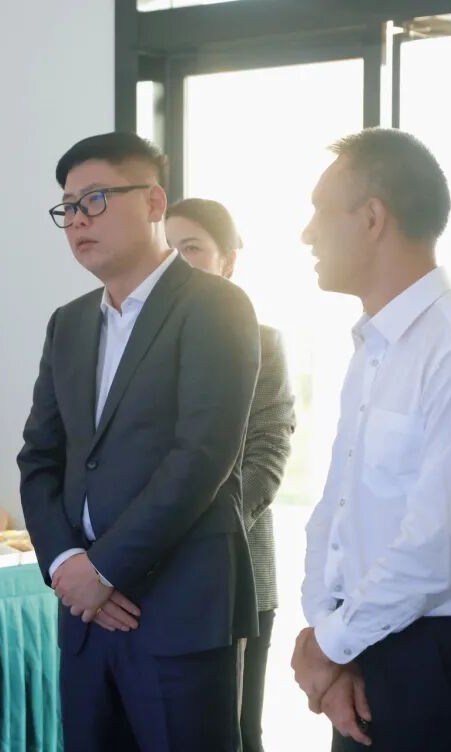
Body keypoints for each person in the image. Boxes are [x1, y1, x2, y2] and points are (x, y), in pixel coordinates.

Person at [291, 128, 451, 751]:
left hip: (446, 668)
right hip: (363, 649)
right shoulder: (374, 345)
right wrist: (329, 634)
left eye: (319, 211)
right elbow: (336, 510)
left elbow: (437, 548)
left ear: (373, 218)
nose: (307, 233)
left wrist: (329, 643)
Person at [18, 132, 260, 751]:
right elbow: (40, 458)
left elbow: (201, 456)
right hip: (85, 616)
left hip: (178, 611)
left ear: (154, 202)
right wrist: (67, 566)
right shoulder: (69, 323)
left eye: (95, 200)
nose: (78, 220)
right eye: (68, 208)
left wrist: (104, 568)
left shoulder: (215, 305)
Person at [166, 197, 296, 752]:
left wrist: (190, 532)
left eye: (192, 248)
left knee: (235, 732)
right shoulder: (128, 345)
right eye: (167, 248)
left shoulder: (263, 342)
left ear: (229, 260)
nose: (177, 261)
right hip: (140, 576)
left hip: (233, 568)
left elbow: (268, 453)